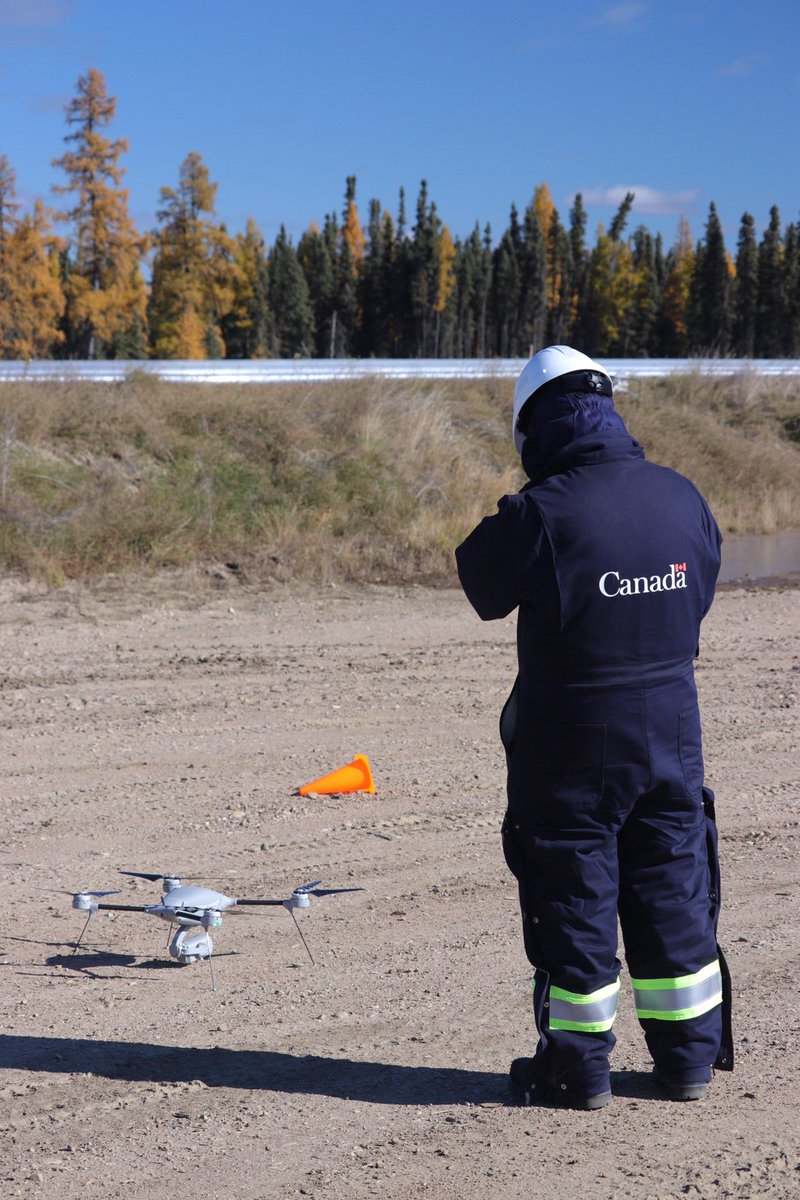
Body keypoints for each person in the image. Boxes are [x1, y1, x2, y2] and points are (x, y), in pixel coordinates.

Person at [455, 345, 733, 1111]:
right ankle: (687, 1063)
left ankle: (576, 1070)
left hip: (570, 737)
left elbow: (478, 581)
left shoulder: (541, 512)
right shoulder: (683, 496)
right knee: (673, 882)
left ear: (531, 429)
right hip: (673, 728)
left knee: (574, 887)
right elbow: (699, 590)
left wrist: (529, 500)